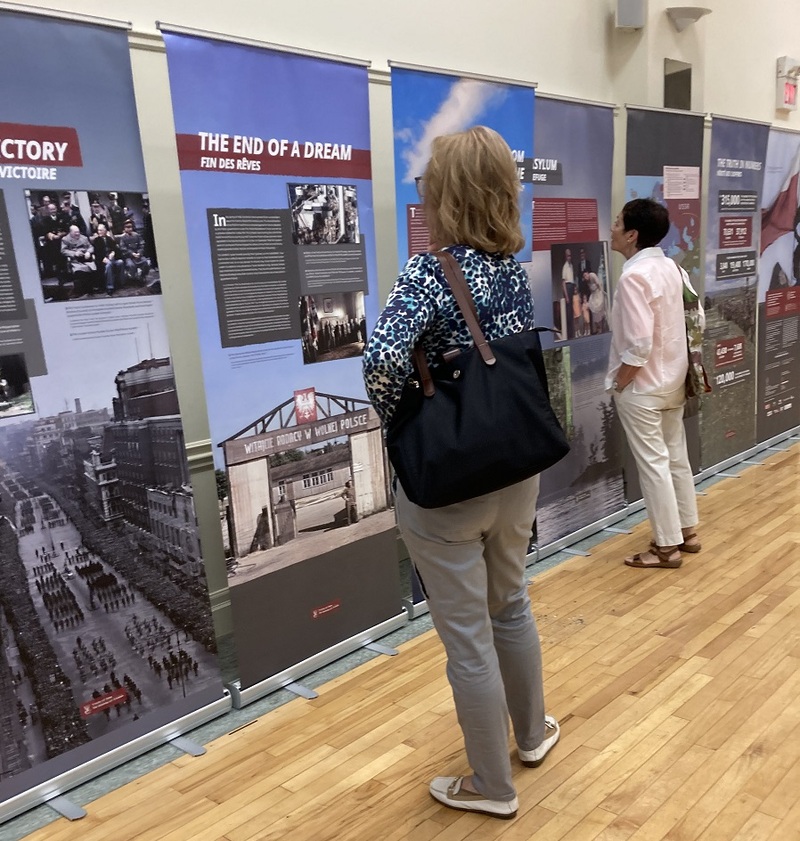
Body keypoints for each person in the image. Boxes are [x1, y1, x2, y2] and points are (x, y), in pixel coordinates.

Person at [363, 126, 559, 820]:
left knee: (467, 637)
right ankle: (532, 737)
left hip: (447, 480)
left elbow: (383, 363)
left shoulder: (428, 272)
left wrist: (401, 424)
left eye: (426, 184)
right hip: (515, 469)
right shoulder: (510, 264)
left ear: (444, 194)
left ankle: (491, 786)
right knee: (512, 602)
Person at [605, 198, 702, 569]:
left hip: (642, 387)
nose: (612, 228)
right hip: (674, 379)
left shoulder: (633, 277)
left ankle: (665, 547)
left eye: (617, 223)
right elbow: (696, 320)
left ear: (631, 235)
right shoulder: (673, 268)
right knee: (675, 457)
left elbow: (639, 344)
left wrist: (620, 383)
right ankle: (687, 532)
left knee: (653, 465)